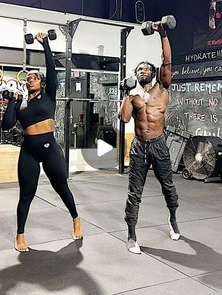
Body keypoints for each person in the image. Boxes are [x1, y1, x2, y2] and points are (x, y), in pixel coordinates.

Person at [1, 32, 82, 252]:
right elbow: (6, 125)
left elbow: (52, 70)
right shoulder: (22, 104)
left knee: (62, 188)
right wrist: (13, 102)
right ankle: (20, 235)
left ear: (42, 82)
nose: (30, 79)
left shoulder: (49, 95)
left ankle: (75, 218)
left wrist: (45, 43)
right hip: (28, 151)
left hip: (49, 149)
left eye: (34, 77)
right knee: (26, 195)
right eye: (28, 78)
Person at [118, 23, 180, 254]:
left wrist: (162, 33)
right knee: (135, 191)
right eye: (139, 69)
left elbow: (167, 60)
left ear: (153, 73)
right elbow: (124, 120)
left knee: (168, 187)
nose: (142, 71)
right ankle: (132, 234)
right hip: (139, 147)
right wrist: (126, 94)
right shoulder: (133, 97)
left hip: (159, 145)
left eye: (145, 68)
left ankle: (172, 218)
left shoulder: (162, 89)